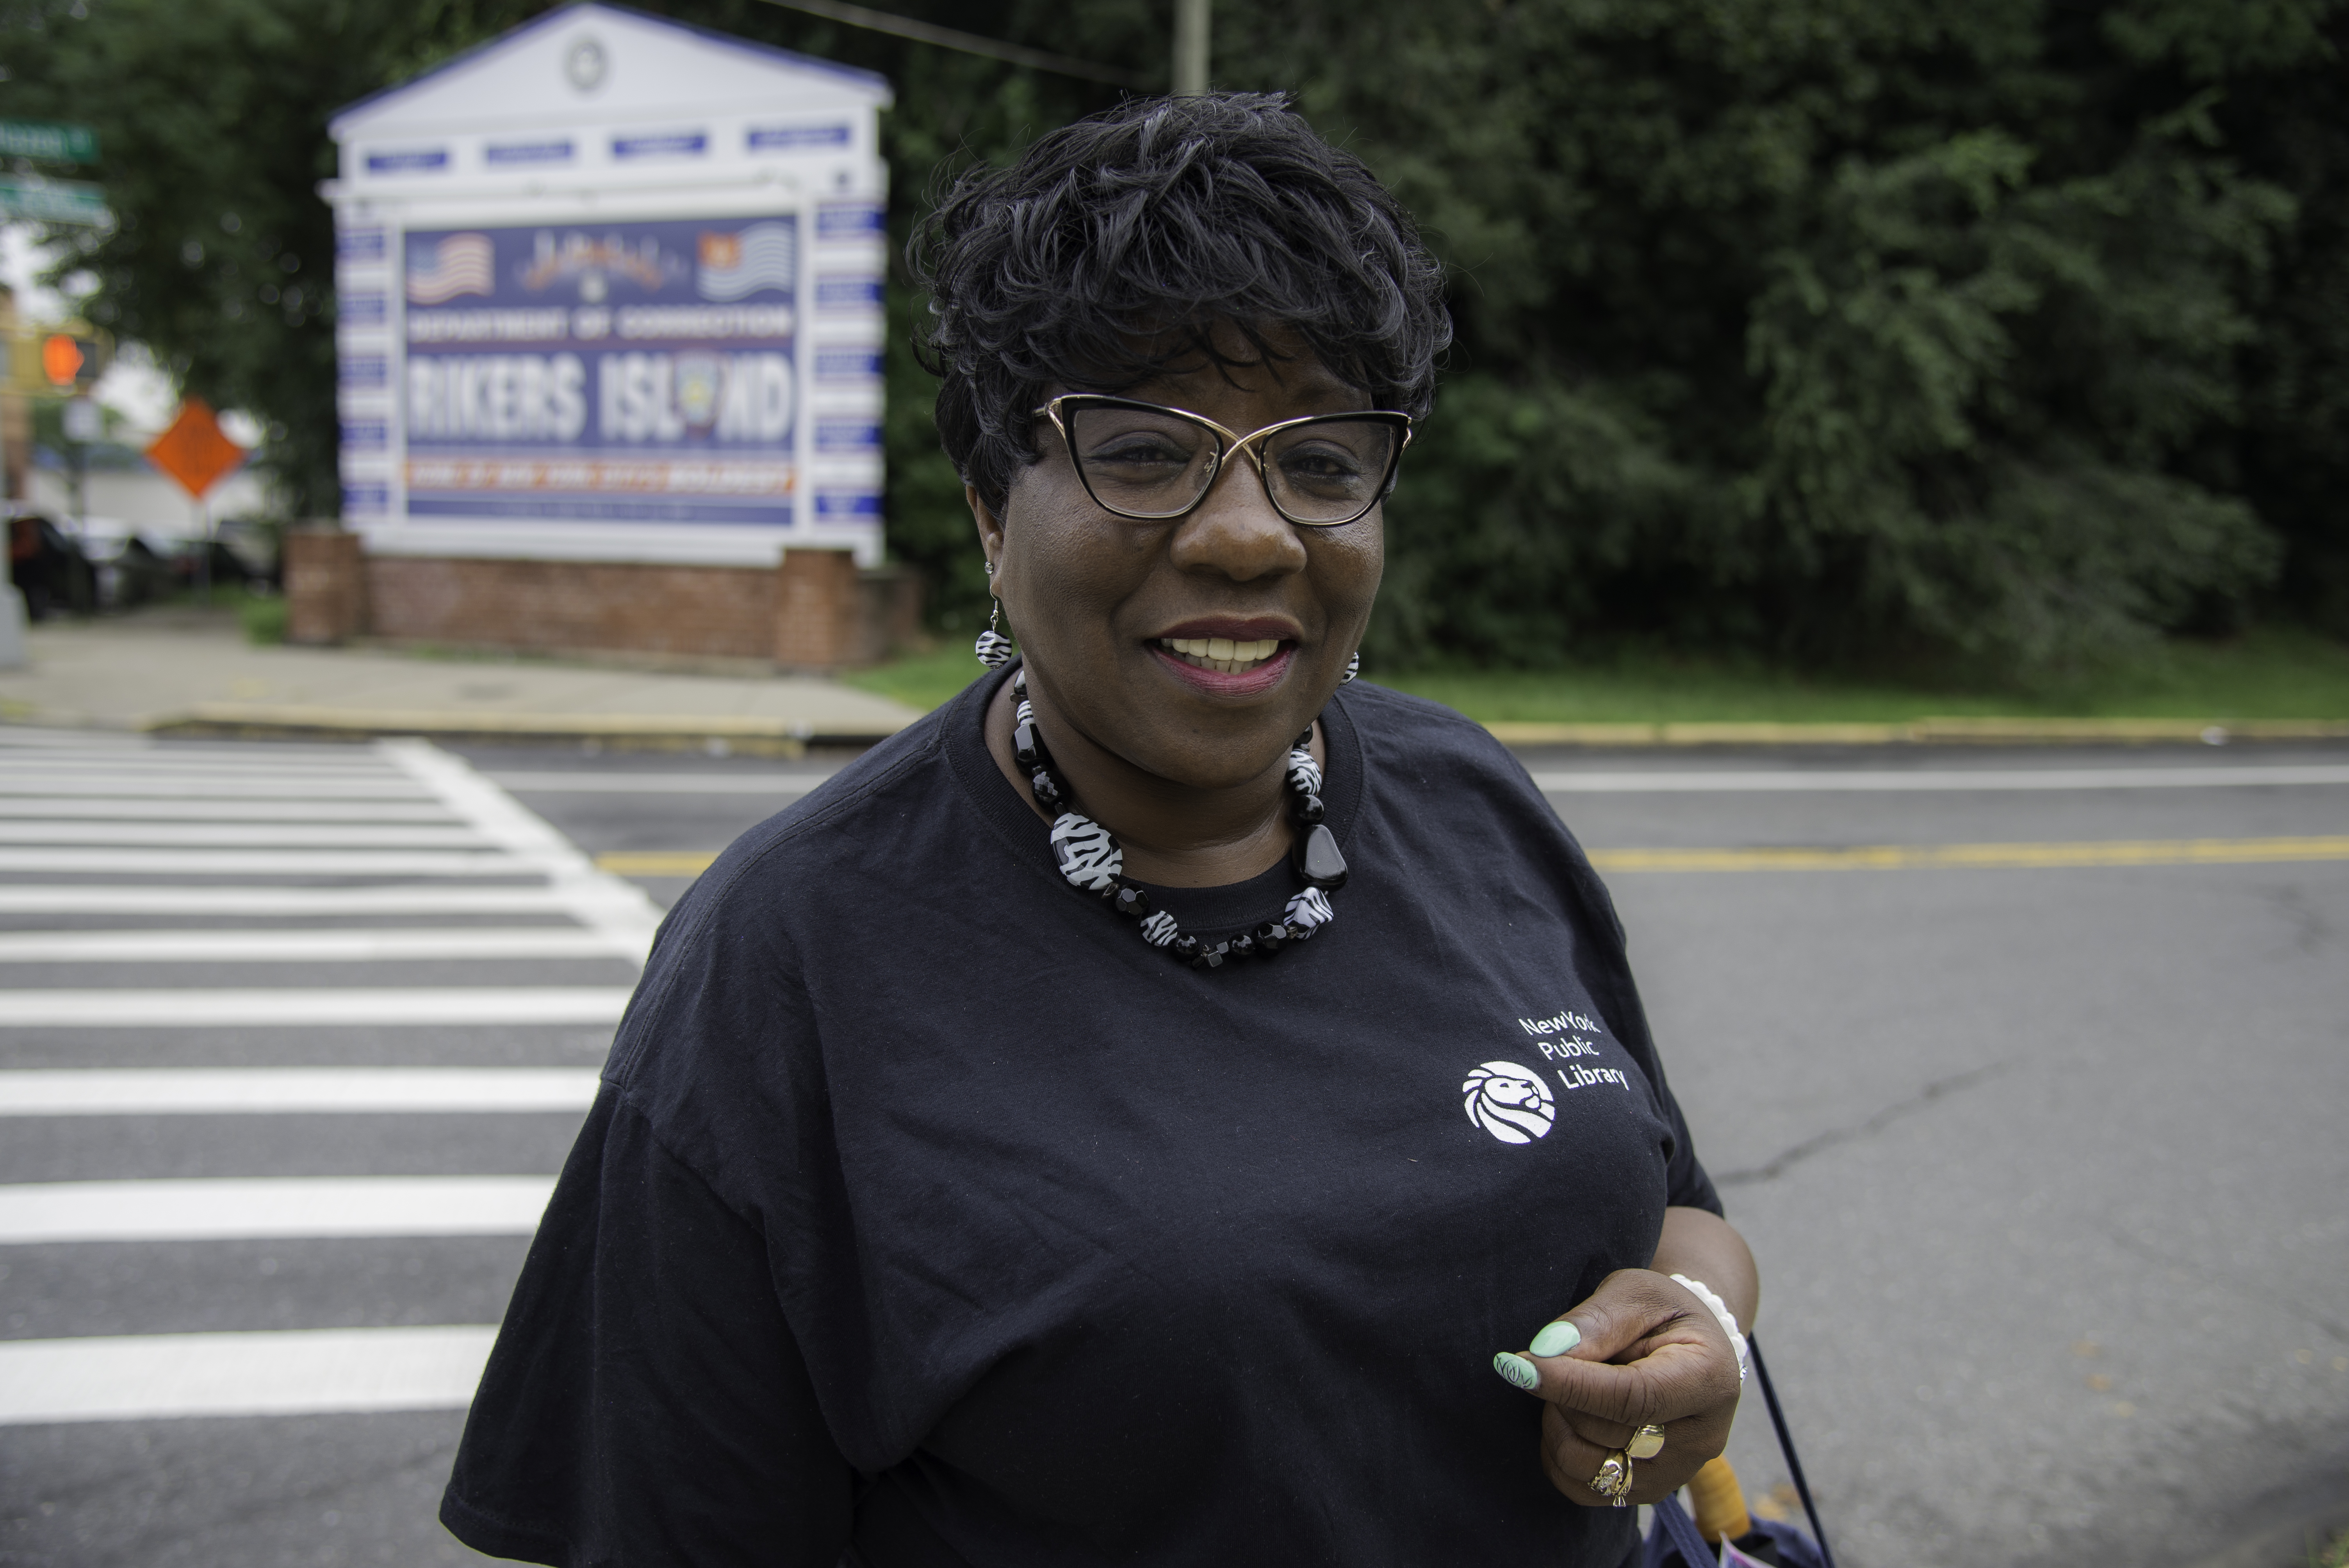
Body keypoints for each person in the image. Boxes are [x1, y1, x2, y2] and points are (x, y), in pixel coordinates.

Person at [441, 92, 1757, 1568]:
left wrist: (1694, 1335)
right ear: (993, 515)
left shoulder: (1471, 800)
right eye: (1142, 450)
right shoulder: (787, 962)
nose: (1251, 532)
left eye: (1321, 461)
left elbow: (1675, 1212)